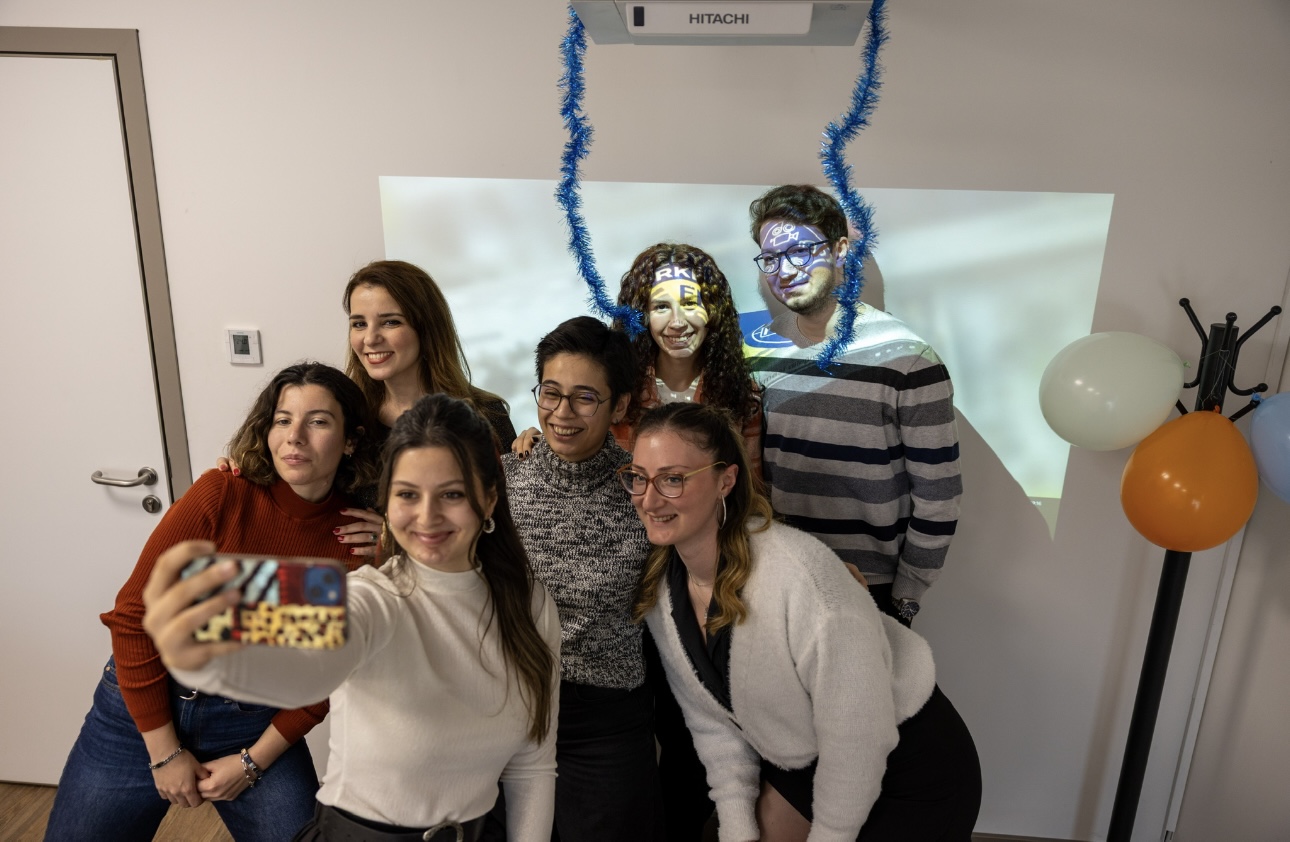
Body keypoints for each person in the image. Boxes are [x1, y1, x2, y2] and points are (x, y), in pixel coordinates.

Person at [143, 393, 561, 842]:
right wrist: (211, 621)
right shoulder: (373, 596)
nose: (427, 516)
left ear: (490, 498)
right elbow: (304, 670)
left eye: (452, 494)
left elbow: (532, 764)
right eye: (407, 494)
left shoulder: (530, 603)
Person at [45, 362, 381, 842]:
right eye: (283, 420)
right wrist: (164, 753)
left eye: (319, 421)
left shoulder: (355, 541)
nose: (295, 437)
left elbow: (327, 675)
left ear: (350, 440)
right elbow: (134, 619)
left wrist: (252, 762)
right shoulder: (222, 493)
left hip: (254, 727)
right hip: (139, 715)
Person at [626, 402, 981, 841]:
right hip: (810, 761)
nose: (648, 499)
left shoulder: (800, 576)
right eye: (638, 477)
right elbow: (713, 728)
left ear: (726, 480)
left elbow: (859, 738)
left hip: (910, 768)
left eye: (672, 479)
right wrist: (737, 831)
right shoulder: (664, 591)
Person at [746, 185, 962, 625]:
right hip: (779, 572)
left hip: (872, 588)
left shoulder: (908, 358)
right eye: (771, 258)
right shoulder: (759, 350)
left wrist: (905, 597)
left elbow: (939, 497)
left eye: (800, 251)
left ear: (840, 250)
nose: (785, 270)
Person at [222, 259, 517, 557]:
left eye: (390, 322)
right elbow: (301, 481)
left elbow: (514, 532)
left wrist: (398, 538)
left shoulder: (486, 416)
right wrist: (246, 461)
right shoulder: (346, 416)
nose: (370, 339)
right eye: (359, 324)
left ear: (426, 327)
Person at [501, 316, 662, 842]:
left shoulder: (642, 490)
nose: (562, 413)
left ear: (619, 406)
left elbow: (716, 535)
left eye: (584, 398)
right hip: (505, 706)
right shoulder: (501, 480)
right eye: (550, 393)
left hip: (603, 717)